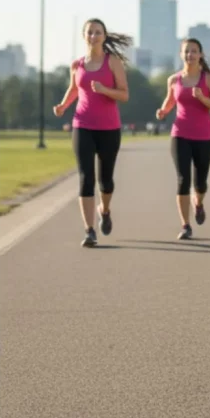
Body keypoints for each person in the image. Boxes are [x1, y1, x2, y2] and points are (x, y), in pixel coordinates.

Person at [53, 18, 131, 247]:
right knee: (86, 177)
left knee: (105, 181)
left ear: (104, 36)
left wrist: (105, 89)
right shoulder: (77, 65)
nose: (93, 36)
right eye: (90, 32)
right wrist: (63, 106)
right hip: (82, 125)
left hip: (109, 128)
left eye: (98, 32)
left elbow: (124, 94)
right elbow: (74, 89)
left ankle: (104, 210)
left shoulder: (113, 62)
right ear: (84, 35)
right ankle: (89, 230)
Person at [156, 38, 210, 240]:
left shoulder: (209, 79)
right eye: (186, 51)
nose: (190, 55)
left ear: (200, 55)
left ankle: (198, 202)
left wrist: (202, 98)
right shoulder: (174, 80)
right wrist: (163, 111)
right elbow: (170, 101)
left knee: (200, 183)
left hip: (204, 136)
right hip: (180, 134)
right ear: (181, 54)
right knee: (183, 179)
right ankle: (185, 225)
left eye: (194, 51)